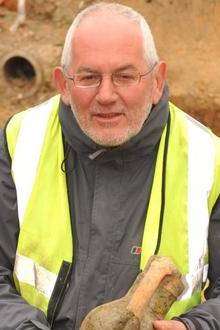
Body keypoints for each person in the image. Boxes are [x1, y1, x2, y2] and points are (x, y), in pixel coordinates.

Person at [0, 2, 220, 329]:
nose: (106, 94)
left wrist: (195, 326)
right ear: (63, 84)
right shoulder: (19, 142)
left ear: (157, 81)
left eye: (125, 76)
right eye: (89, 77)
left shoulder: (209, 158)